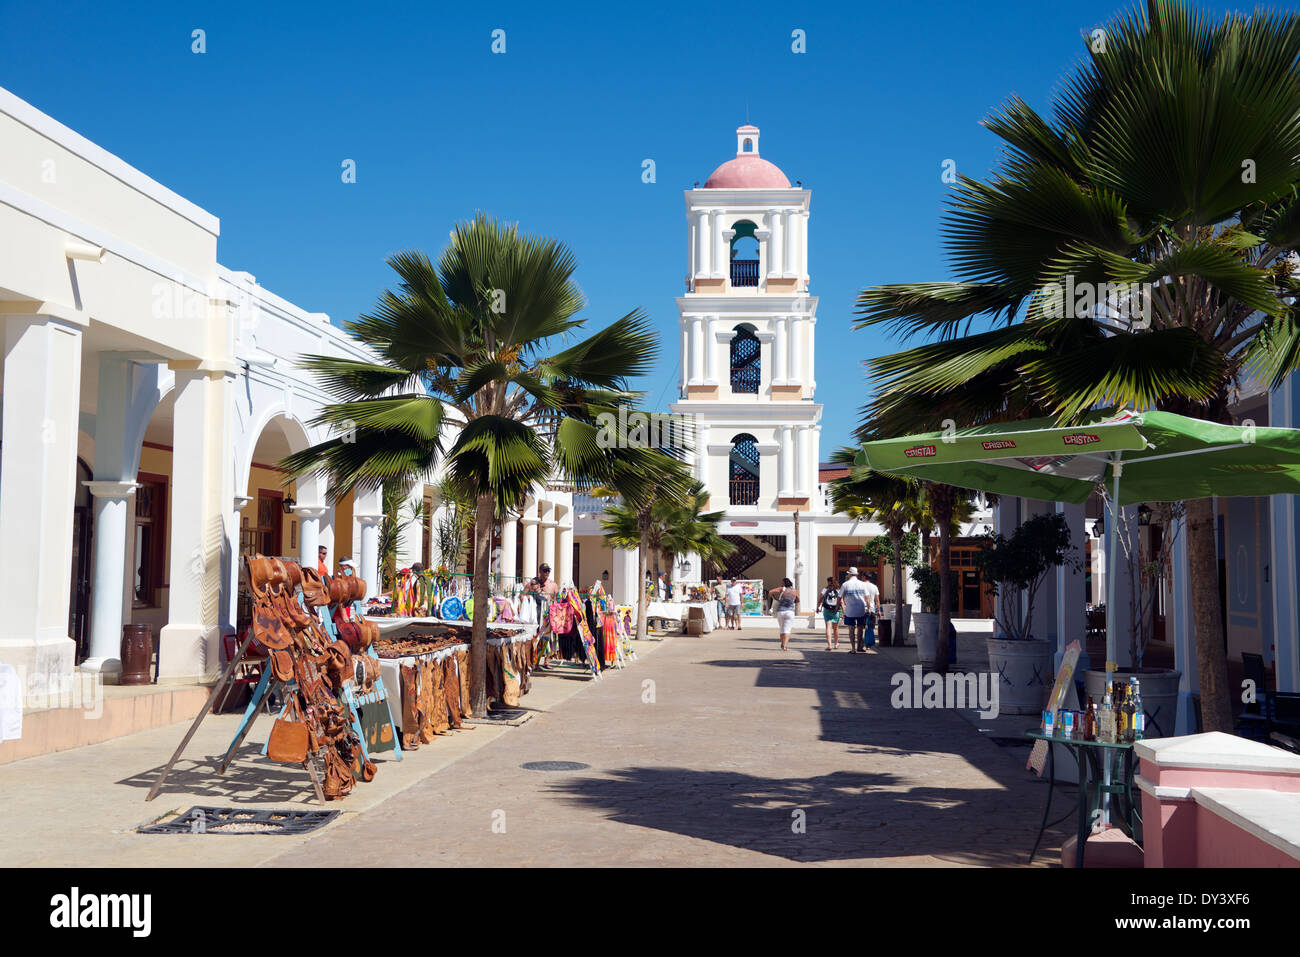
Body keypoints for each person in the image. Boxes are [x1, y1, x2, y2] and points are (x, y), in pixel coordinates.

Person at [840, 567, 869, 654]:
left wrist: (840, 607)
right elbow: (867, 598)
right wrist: (869, 608)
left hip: (850, 610)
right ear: (856, 574)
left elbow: (839, 597)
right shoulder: (863, 584)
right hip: (861, 609)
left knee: (851, 629)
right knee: (860, 629)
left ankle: (853, 648)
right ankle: (859, 646)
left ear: (850, 574)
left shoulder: (845, 584)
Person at [768, 578, 799, 651]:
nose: (781, 583)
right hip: (790, 612)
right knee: (787, 629)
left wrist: (774, 598)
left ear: (784, 583)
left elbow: (770, 592)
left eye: (782, 582)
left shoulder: (781, 589)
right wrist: (792, 602)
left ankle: (782, 643)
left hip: (780, 611)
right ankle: (784, 645)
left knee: (782, 629)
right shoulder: (795, 591)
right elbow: (798, 600)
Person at [816, 575, 842, 651]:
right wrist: (843, 611)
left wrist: (818, 607)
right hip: (836, 610)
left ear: (828, 582)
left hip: (827, 610)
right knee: (836, 628)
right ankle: (836, 644)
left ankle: (829, 645)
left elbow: (820, 599)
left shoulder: (825, 590)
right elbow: (841, 601)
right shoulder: (838, 590)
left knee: (828, 627)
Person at [862, 571, 882, 651]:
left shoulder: (861, 585)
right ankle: (868, 644)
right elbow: (877, 600)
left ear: (864, 577)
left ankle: (863, 643)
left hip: (862, 608)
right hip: (872, 609)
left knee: (862, 627)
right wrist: (879, 610)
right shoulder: (874, 587)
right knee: (869, 627)